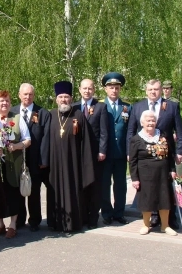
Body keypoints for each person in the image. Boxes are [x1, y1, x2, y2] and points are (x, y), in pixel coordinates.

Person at [127, 79, 182, 229]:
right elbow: (131, 131)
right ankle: (153, 217)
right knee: (149, 187)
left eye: (156, 89)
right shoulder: (137, 106)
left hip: (165, 156)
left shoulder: (172, 106)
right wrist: (129, 151)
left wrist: (180, 151)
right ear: (146, 91)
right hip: (144, 158)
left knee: (165, 187)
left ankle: (169, 220)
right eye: (150, 89)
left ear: (161, 90)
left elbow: (180, 130)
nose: (153, 92)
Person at [49, 81, 95, 232]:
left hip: (73, 163)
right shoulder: (51, 116)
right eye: (61, 97)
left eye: (66, 97)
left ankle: (74, 222)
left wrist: (86, 165)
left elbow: (86, 143)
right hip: (55, 163)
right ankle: (56, 222)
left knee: (74, 189)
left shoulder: (78, 115)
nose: (64, 100)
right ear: (56, 99)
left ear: (71, 98)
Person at [0, 90, 31, 239]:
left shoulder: (17, 118)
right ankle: (0, 224)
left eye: (7, 100)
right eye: (1, 101)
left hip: (14, 162)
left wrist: (17, 146)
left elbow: (27, 140)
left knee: (13, 192)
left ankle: (13, 225)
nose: (5, 103)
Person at [10, 83, 52, 232]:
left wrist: (43, 160)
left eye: (30, 94)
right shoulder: (11, 112)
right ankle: (19, 219)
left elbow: (46, 138)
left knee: (34, 191)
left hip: (35, 160)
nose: (27, 97)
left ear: (34, 95)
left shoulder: (43, 113)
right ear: (19, 95)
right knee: (18, 190)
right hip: (16, 159)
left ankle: (34, 220)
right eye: (25, 94)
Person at [129, 110, 177, 236]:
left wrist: (172, 170)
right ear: (142, 122)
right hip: (145, 175)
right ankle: (146, 225)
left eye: (153, 120)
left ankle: (165, 226)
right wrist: (135, 178)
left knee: (164, 198)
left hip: (163, 173)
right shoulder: (136, 139)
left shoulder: (163, 135)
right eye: (148, 120)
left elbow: (170, 156)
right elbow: (132, 161)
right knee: (147, 199)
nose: (151, 123)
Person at [73, 79, 109, 229]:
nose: (87, 91)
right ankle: (82, 217)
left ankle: (93, 217)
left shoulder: (101, 107)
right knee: (81, 186)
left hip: (95, 155)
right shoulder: (73, 107)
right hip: (78, 154)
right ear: (80, 90)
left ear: (94, 90)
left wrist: (102, 150)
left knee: (95, 186)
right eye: (84, 88)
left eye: (90, 88)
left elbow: (104, 132)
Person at [101, 72, 131, 225]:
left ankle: (119, 213)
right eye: (111, 87)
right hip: (105, 154)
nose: (114, 90)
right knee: (105, 185)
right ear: (105, 89)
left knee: (120, 185)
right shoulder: (100, 106)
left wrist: (129, 152)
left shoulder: (127, 107)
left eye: (117, 88)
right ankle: (106, 213)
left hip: (120, 154)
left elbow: (129, 132)